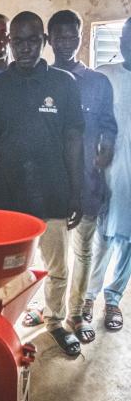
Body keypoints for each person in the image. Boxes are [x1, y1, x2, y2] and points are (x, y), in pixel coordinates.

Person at [0, 11, 85, 356]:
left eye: (33, 40)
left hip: (54, 194)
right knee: (8, 273)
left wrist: (77, 191)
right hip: (9, 199)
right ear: (9, 42)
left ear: (44, 41)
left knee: (57, 268)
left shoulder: (64, 83)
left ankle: (55, 321)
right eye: (18, 41)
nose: (25, 48)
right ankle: (5, 326)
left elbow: (73, 141)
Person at [22, 10, 117, 343]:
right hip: (51, 190)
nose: (66, 43)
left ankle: (76, 313)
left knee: (84, 253)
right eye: (58, 36)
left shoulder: (98, 82)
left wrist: (105, 150)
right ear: (48, 39)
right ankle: (54, 317)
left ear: (80, 37)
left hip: (88, 185)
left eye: (72, 36)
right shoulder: (38, 81)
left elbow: (108, 125)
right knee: (54, 260)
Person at [83, 17, 131, 331]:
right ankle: (88, 296)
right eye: (127, 35)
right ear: (120, 40)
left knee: (128, 243)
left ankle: (113, 299)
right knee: (98, 237)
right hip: (105, 172)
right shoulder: (104, 77)